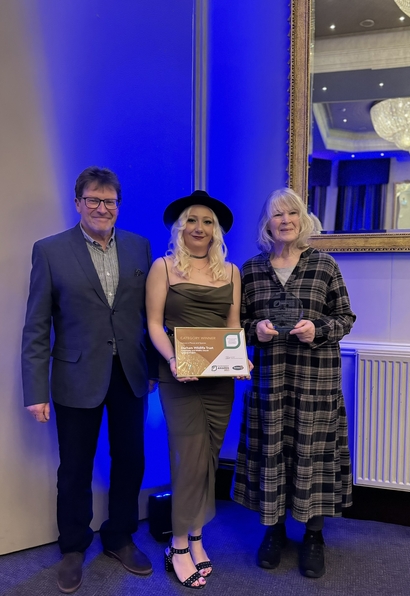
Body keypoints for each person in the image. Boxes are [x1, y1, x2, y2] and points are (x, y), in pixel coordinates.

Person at [21, 166, 157, 594]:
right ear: (78, 203)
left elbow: (147, 316)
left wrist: (158, 368)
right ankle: (74, 547)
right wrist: (35, 389)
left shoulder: (140, 248)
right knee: (75, 468)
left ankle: (119, 536)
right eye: (93, 201)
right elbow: (37, 326)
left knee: (131, 460)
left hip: (131, 374)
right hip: (75, 375)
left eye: (110, 201)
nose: (102, 208)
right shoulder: (49, 250)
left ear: (119, 205)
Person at [232, 187, 355, 579]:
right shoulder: (250, 270)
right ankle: (274, 531)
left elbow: (346, 318)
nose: (284, 221)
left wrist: (317, 328)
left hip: (315, 382)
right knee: (272, 453)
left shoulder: (324, 265)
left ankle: (315, 535)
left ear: (303, 220)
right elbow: (238, 325)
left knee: (312, 456)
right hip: (270, 381)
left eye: (292, 214)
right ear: (267, 223)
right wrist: (258, 331)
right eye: (276, 215)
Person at [146, 190, 249, 589]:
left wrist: (241, 358)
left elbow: (232, 326)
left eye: (207, 222)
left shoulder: (231, 272)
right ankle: (176, 545)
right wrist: (173, 359)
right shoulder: (164, 267)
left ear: (216, 230)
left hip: (219, 378)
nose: (199, 228)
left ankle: (197, 536)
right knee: (188, 457)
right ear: (180, 227)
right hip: (179, 375)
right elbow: (154, 323)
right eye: (192, 220)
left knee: (209, 454)